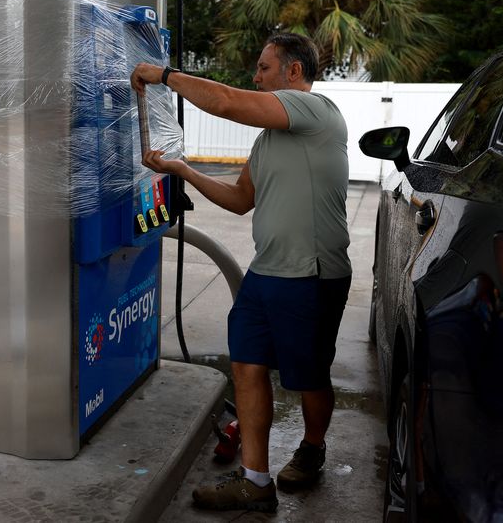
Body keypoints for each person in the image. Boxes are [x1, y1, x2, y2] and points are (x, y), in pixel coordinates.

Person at [131, 33, 352, 512]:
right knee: (247, 366)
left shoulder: (319, 113)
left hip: (312, 275)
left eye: (263, 68)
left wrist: (163, 76)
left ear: (294, 72)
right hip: (265, 273)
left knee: (309, 377)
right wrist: (182, 170)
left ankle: (312, 449)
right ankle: (255, 480)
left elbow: (228, 103)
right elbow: (239, 200)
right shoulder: (269, 139)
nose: (255, 77)